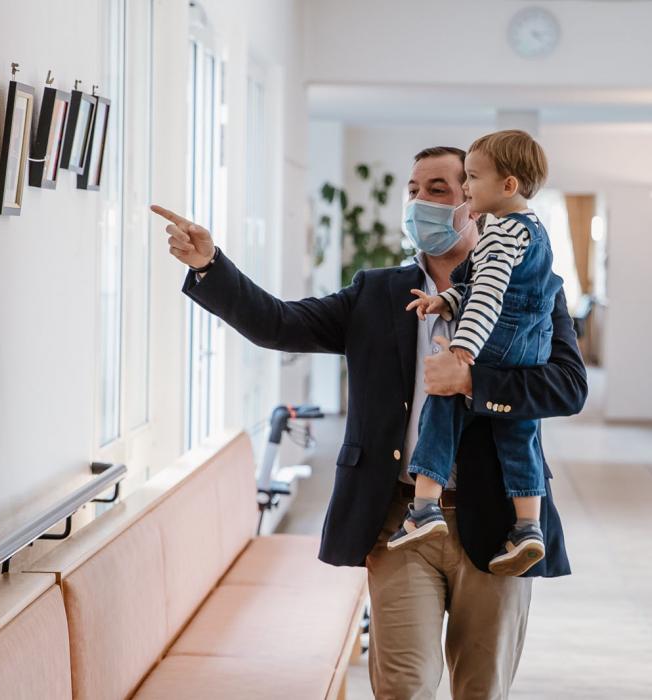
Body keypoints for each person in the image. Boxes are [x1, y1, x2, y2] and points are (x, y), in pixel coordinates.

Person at [151, 143, 587, 699]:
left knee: (482, 690)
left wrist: (475, 383)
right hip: (400, 522)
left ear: (474, 201)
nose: (420, 202)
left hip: (500, 522)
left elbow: (569, 387)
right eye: (413, 190)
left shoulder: (536, 287)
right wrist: (210, 266)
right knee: (401, 689)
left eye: (438, 190)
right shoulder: (376, 293)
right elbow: (280, 324)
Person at [388, 130, 561, 579]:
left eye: (470, 179)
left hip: (499, 342)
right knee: (519, 434)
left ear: (508, 186)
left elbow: (485, 296)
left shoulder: (499, 232)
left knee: (442, 404)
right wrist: (446, 300)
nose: (467, 189)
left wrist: (463, 353)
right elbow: (486, 285)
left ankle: (423, 507)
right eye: (413, 191)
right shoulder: (534, 228)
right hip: (529, 347)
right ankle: (527, 527)